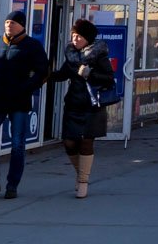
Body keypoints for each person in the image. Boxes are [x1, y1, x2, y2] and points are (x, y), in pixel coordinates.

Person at [0, 10, 49, 199]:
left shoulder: (32, 46)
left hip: (19, 102)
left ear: (22, 25)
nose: (9, 25)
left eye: (13, 23)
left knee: (17, 145)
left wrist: (26, 88)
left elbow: (42, 72)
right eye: (7, 22)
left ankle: (12, 185)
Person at [49, 19, 115, 199]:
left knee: (86, 141)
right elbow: (62, 74)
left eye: (78, 36)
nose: (75, 39)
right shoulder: (71, 55)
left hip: (92, 105)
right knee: (69, 142)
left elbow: (109, 78)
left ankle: (83, 181)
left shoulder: (99, 55)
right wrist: (44, 75)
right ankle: (80, 173)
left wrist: (89, 74)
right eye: (73, 35)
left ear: (88, 38)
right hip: (73, 104)